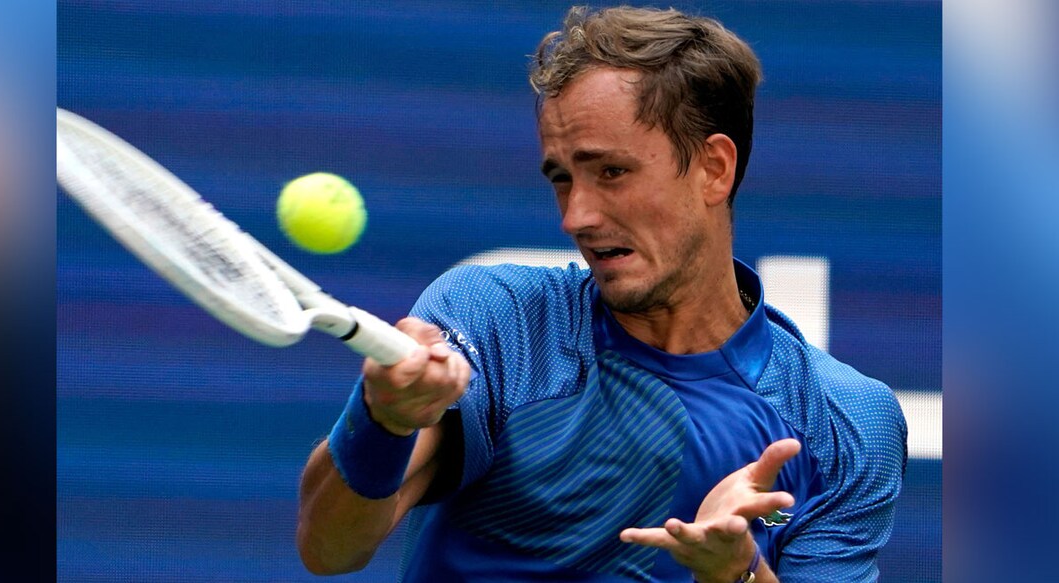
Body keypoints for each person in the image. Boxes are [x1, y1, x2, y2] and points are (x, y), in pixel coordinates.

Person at [297, 6, 907, 582]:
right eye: (562, 179)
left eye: (611, 172)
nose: (577, 217)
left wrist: (736, 571)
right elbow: (330, 549)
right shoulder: (498, 317)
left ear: (713, 169)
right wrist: (384, 421)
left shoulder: (846, 421)